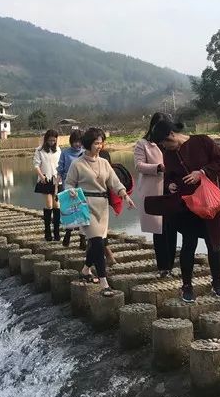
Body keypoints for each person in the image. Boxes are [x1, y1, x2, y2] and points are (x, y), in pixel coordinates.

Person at [151, 119, 220, 302]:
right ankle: (187, 286)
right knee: (189, 243)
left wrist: (202, 172)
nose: (165, 147)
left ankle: (217, 283)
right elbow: (167, 177)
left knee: (214, 244)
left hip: (210, 201)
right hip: (187, 206)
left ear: (172, 135)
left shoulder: (202, 141)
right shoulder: (169, 154)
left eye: (165, 143)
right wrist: (170, 185)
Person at [65, 127, 135, 297]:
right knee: (97, 242)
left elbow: (115, 182)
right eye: (96, 143)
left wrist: (125, 195)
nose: (100, 146)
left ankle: (85, 270)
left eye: (101, 142)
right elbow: (68, 183)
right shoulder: (77, 164)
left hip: (102, 206)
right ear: (88, 144)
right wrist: (71, 191)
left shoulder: (104, 163)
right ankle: (104, 282)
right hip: (85, 205)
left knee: (98, 242)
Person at [135, 112, 176, 277]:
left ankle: (171, 265)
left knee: (171, 228)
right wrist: (157, 168)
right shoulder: (143, 144)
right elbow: (138, 165)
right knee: (159, 230)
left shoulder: (170, 143)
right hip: (155, 191)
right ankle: (162, 267)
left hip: (171, 189)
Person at [57, 129, 85, 249]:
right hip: (68, 185)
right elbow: (59, 170)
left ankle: (82, 239)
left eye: (79, 142)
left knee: (82, 212)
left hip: (82, 185)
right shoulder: (65, 153)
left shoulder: (85, 153)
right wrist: (57, 187)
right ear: (71, 142)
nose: (77, 144)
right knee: (69, 211)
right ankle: (68, 234)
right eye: (75, 142)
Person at [33, 129, 62, 241]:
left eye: (54, 141)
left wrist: (60, 176)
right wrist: (41, 176)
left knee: (57, 205)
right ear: (46, 139)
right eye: (50, 140)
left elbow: (60, 165)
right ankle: (47, 232)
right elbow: (36, 165)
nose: (52, 142)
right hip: (45, 179)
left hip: (56, 180)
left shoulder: (58, 150)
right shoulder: (39, 150)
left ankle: (57, 232)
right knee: (49, 205)